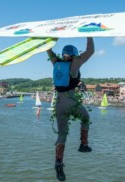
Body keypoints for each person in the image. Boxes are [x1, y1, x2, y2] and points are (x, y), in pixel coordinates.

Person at [47, 37, 94, 181]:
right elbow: (90, 51)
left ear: (63, 54)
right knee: (85, 117)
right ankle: (83, 144)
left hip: (58, 103)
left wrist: (47, 41)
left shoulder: (56, 62)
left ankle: (58, 162)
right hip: (71, 101)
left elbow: (49, 51)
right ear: (73, 54)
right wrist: (89, 35)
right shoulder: (75, 63)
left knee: (62, 135)